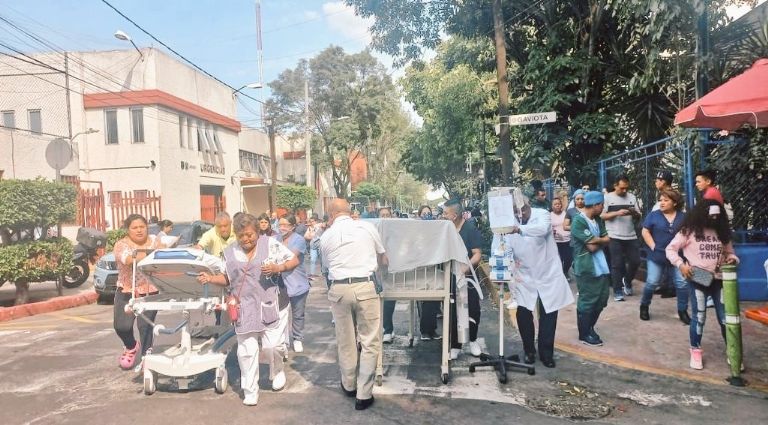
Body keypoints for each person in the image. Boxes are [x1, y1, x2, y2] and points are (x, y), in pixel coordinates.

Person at [197, 213, 299, 406]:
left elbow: (293, 260)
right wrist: (210, 279)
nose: (246, 239)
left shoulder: (270, 244)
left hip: (268, 303)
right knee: (246, 351)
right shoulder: (229, 252)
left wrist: (277, 268)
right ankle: (250, 390)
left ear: (257, 232)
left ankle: (277, 371)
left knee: (273, 345)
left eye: (250, 235)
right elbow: (227, 278)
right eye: (241, 235)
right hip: (244, 307)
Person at [320, 198, 387, 411]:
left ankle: (349, 384)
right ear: (350, 211)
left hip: (339, 289)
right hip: (365, 286)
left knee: (345, 340)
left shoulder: (326, 236)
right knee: (370, 340)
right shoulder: (367, 227)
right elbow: (383, 259)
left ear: (331, 215)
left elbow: (326, 266)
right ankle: (364, 394)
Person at [500, 198, 574, 368]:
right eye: (515, 211)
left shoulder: (542, 215)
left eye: (522, 209)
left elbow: (542, 229)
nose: (520, 214)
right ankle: (529, 351)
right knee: (523, 313)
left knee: (549, 313)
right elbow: (504, 244)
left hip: (547, 273)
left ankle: (546, 353)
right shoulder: (509, 222)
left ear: (528, 205)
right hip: (524, 274)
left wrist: (519, 229)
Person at [666, 200, 739, 370]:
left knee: (725, 317)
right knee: (699, 317)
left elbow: (731, 253)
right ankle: (695, 350)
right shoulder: (688, 230)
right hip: (698, 277)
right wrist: (681, 265)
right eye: (710, 216)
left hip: (720, 279)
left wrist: (732, 259)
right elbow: (670, 249)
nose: (713, 219)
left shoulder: (722, 232)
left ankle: (733, 350)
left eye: (717, 216)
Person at [112, 214, 165, 370]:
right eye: (135, 228)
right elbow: (129, 260)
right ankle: (131, 346)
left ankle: (146, 358)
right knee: (121, 327)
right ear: (128, 230)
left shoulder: (155, 241)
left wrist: (160, 249)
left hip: (150, 290)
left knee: (145, 327)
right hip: (127, 289)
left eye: (142, 227)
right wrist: (153, 252)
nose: (139, 230)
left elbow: (164, 253)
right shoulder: (121, 245)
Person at [639, 189, 689, 323]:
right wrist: (653, 246)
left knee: (682, 283)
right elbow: (645, 231)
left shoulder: (683, 217)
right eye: (660, 200)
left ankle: (683, 310)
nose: (662, 203)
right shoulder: (653, 215)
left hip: (677, 257)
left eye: (666, 200)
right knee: (652, 282)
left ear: (675, 203)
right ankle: (644, 306)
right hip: (657, 255)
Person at [443, 199, 483, 360]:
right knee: (453, 310)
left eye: (446, 213)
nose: (443, 216)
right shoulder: (446, 230)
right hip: (451, 275)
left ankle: (473, 340)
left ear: (455, 215)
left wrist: (466, 268)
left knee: (472, 309)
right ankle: (455, 345)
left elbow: (477, 254)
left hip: (468, 277)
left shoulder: (470, 229)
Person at [570, 191, 611, 346]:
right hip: (586, 266)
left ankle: (590, 327)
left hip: (601, 266)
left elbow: (607, 239)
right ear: (595, 205)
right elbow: (592, 247)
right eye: (602, 205)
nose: (603, 208)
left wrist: (598, 240)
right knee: (588, 299)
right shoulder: (578, 221)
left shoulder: (598, 219)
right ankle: (584, 333)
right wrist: (602, 241)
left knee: (602, 298)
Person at [600, 175, 642, 301]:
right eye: (622, 188)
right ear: (615, 186)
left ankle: (627, 281)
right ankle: (617, 291)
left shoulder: (632, 197)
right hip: (614, 235)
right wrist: (617, 213)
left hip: (630, 235)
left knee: (636, 261)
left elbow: (639, 215)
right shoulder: (607, 198)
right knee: (616, 264)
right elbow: (602, 215)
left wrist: (633, 212)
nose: (625, 191)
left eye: (626, 188)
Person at [278, 214, 311, 353]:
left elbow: (290, 256)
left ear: (292, 226)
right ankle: (282, 340)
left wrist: (275, 261)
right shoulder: (275, 239)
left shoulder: (299, 240)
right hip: (280, 283)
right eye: (280, 225)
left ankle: (297, 338)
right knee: (280, 314)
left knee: (298, 313)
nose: (282, 228)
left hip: (297, 283)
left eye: (285, 225)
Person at [551, 198, 572, 277]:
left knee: (569, 259)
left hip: (567, 240)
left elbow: (570, 224)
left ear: (561, 205)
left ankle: (565, 271)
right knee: (559, 260)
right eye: (555, 204)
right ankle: (560, 275)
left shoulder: (566, 214)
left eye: (559, 204)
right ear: (552, 206)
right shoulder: (549, 215)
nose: (557, 205)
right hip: (556, 242)